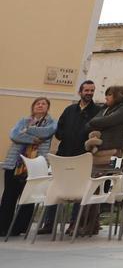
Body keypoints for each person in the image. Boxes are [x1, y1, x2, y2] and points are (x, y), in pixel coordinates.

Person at [38, 80, 98, 235]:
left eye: (92, 90)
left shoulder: (98, 111)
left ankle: (74, 224)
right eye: (86, 90)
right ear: (80, 92)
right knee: (56, 188)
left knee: (80, 192)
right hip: (63, 155)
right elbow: (59, 131)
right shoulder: (69, 110)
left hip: (82, 157)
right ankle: (49, 223)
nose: (89, 93)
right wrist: (66, 135)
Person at [76, 85, 123, 236]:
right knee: (92, 187)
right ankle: (88, 224)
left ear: (117, 95)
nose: (106, 98)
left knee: (106, 183)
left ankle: (89, 224)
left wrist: (98, 121)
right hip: (98, 152)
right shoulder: (105, 108)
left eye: (109, 95)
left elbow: (103, 121)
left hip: (116, 153)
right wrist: (99, 121)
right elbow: (91, 123)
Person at [0, 97, 56, 237]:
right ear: (33, 106)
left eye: (43, 104)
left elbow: (47, 132)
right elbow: (14, 135)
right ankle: (2, 226)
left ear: (47, 108)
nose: (40, 105)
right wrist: (33, 139)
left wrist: (27, 131)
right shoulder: (23, 120)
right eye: (38, 103)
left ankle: (18, 228)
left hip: (35, 165)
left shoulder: (52, 123)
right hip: (15, 163)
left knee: (28, 196)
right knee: (9, 195)